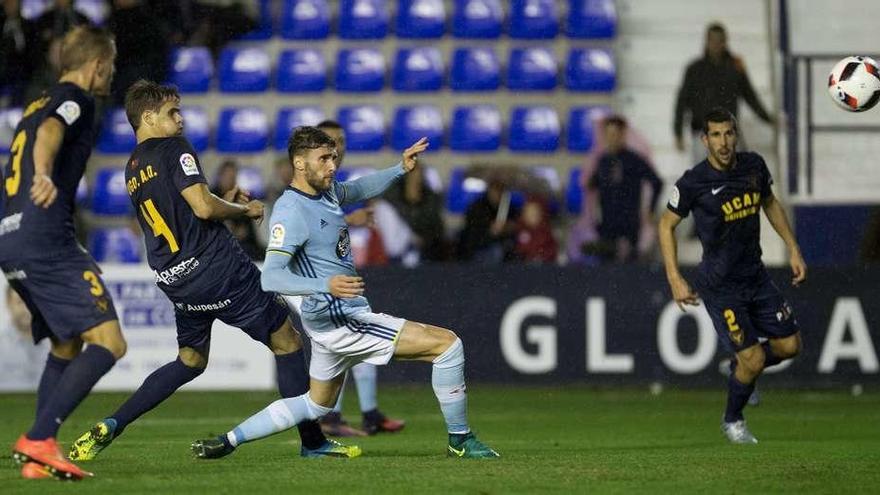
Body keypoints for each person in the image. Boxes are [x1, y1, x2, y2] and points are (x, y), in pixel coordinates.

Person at [67, 80, 359, 463]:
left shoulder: (133, 167)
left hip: (176, 280)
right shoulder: (175, 148)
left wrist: (222, 201)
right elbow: (203, 208)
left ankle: (112, 424)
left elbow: (187, 209)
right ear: (148, 117)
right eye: (173, 112)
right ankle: (312, 441)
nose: (181, 118)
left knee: (190, 360)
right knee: (287, 341)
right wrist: (244, 211)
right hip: (219, 269)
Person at [190, 127, 499, 459]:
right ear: (299, 162)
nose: (332, 165)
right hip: (341, 319)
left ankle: (228, 441)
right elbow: (273, 277)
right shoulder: (291, 211)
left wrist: (400, 168)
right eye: (323, 158)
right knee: (448, 345)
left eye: (334, 157)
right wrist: (327, 285)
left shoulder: (327, 192)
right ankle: (460, 439)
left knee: (314, 404)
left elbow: (360, 188)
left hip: (328, 324)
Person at [0, 26, 125, 481]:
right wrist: (45, 173)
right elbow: (52, 133)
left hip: (11, 236)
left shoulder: (34, 103)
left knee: (66, 344)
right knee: (110, 343)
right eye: (109, 64)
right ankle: (38, 439)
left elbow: (40, 129)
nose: (110, 73)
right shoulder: (76, 98)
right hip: (45, 236)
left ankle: (37, 455)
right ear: (96, 64)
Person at [658, 108, 805, 444]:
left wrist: (793, 247)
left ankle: (738, 368)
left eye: (728, 134)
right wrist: (675, 278)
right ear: (704, 139)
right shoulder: (693, 182)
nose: (723, 142)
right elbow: (666, 224)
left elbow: (770, 203)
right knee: (752, 359)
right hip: (721, 287)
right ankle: (732, 420)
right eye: (715, 135)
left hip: (756, 277)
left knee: (790, 345)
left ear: (735, 135)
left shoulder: (753, 166)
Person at [305, 119, 406, 436]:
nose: (339, 148)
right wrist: (351, 219)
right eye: (331, 141)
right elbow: (308, 228)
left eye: (342, 140)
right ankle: (329, 416)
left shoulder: (334, 184)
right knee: (345, 341)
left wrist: (399, 168)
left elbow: (363, 188)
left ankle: (359, 414)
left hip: (335, 277)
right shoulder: (311, 182)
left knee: (356, 340)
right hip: (316, 279)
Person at [674, 22, 774, 166]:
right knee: (703, 182)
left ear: (725, 41)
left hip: (728, 134)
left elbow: (749, 95)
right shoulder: (694, 69)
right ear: (707, 41)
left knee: (733, 180)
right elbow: (682, 101)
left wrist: (768, 118)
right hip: (701, 134)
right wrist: (678, 132)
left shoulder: (735, 66)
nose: (716, 44)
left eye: (720, 40)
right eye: (712, 40)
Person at [587, 116, 663, 263]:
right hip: (607, 221)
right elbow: (593, 185)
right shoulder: (603, 160)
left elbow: (657, 182)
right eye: (608, 134)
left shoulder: (634, 160)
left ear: (622, 135)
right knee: (606, 264)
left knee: (630, 264)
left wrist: (650, 209)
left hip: (629, 221)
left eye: (615, 134)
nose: (611, 139)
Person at [211, 159, 265, 261]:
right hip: (219, 245)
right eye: (227, 176)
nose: (230, 180)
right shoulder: (211, 197)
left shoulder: (242, 196)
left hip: (244, 245)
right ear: (220, 176)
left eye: (233, 176)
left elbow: (246, 230)